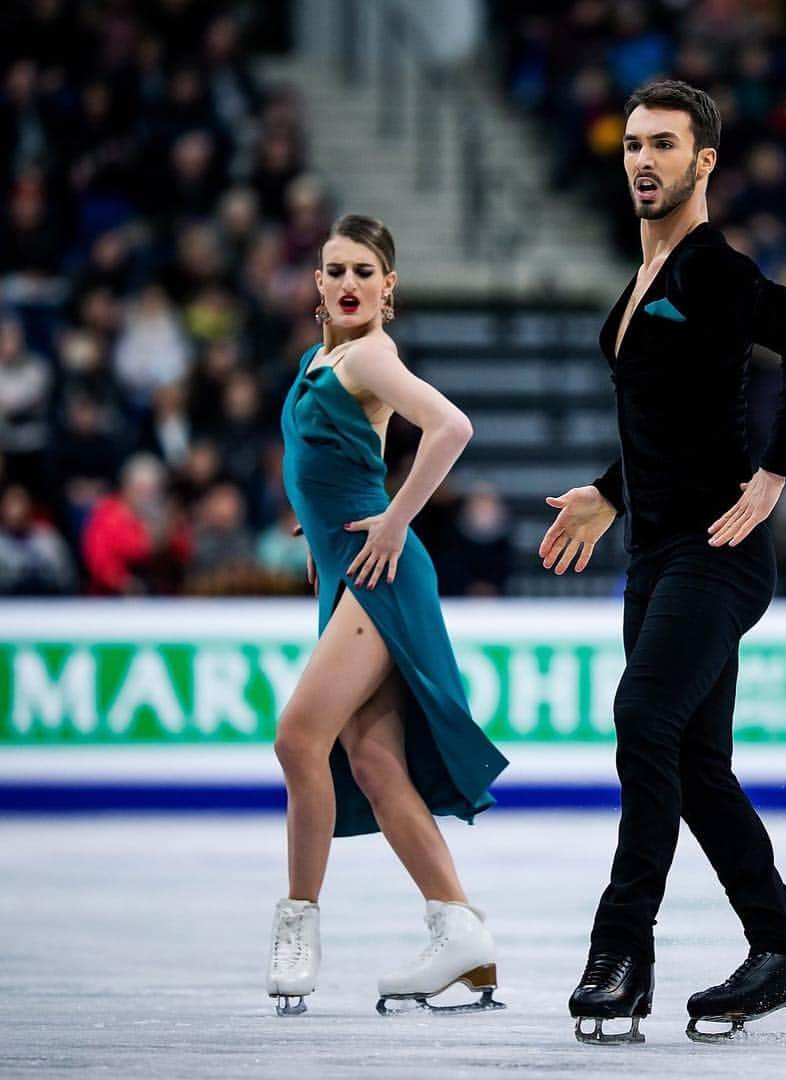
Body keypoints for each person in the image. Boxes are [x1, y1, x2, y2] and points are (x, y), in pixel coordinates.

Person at [539, 81, 786, 1045]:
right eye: (632, 143)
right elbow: (666, 424)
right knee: (697, 763)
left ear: (703, 161)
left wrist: (775, 475)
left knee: (641, 717)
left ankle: (621, 950)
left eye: (664, 144)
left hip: (720, 554)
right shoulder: (640, 284)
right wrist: (607, 489)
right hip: (656, 554)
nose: (643, 159)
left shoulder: (710, 269)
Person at [268, 214, 508, 1017]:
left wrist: (398, 516)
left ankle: (298, 923)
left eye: (363, 273)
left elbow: (452, 427)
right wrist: (318, 523)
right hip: (349, 568)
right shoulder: (321, 357)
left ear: (388, 287)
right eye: (334, 270)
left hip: (382, 572)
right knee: (374, 766)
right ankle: (459, 929)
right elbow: (326, 456)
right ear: (317, 283)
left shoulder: (370, 353)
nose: (346, 284)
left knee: (299, 737)